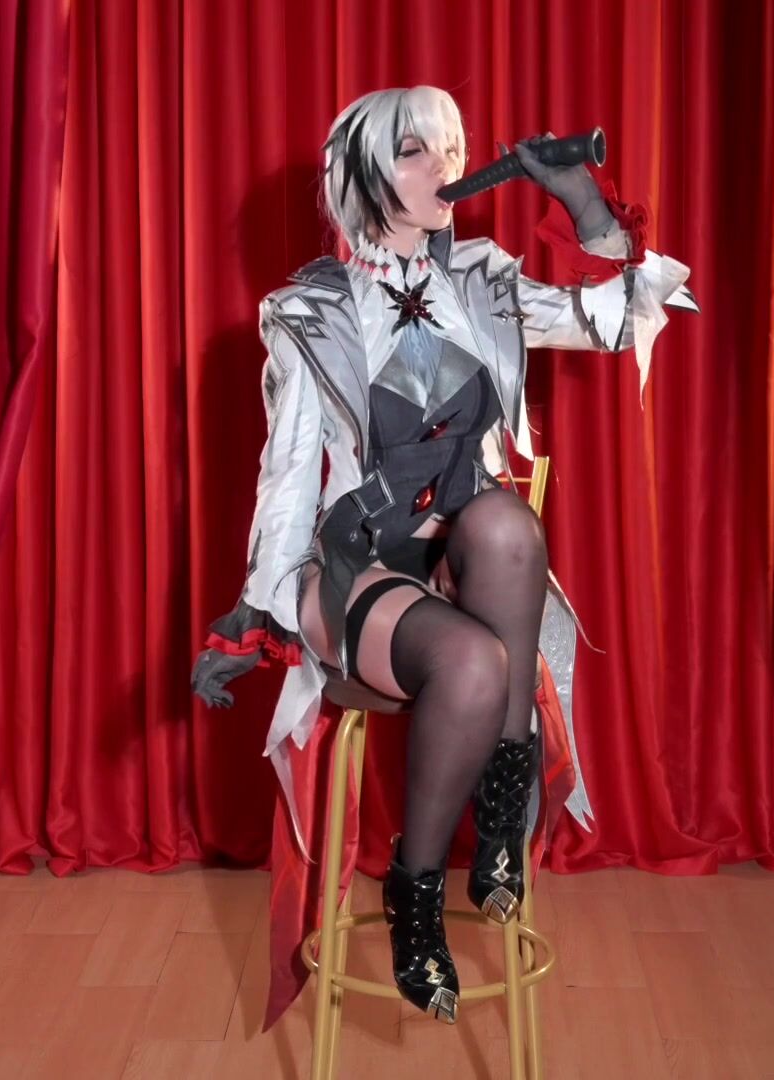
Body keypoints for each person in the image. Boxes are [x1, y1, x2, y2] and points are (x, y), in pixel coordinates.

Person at [190, 84, 696, 1024]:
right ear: (364, 173)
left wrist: (580, 200)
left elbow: (619, 318)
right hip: (351, 569)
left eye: (451, 148)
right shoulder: (306, 310)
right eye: (415, 151)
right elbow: (289, 472)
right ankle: (414, 890)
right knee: (472, 661)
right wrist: (253, 611)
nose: (445, 168)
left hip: (460, 559)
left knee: (505, 522)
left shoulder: (482, 279)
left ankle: (502, 800)